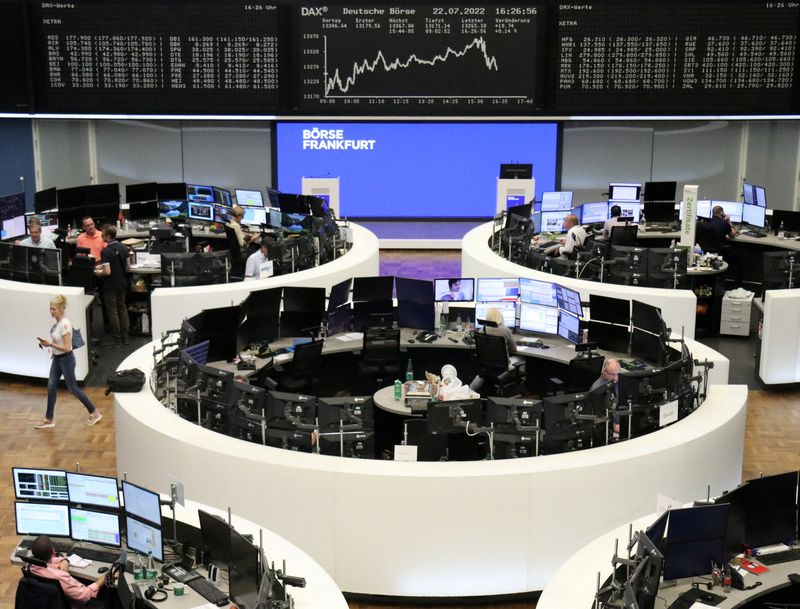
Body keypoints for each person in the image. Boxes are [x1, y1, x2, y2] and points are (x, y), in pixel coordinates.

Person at [35, 295, 102, 428]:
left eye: (54, 309)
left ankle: (95, 413)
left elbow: (67, 348)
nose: (51, 311)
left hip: (66, 360)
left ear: (61, 309)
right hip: (57, 360)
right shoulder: (57, 324)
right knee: (51, 387)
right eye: (50, 309)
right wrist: (50, 346)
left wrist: (51, 345)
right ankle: (49, 419)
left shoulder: (65, 324)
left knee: (73, 388)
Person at [28, 535, 112, 608]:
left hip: (46, 602)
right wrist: (104, 578)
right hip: (75, 603)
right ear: (53, 552)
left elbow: (52, 561)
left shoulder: (30, 566)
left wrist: (64, 560)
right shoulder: (60, 577)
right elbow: (84, 596)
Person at [95, 225, 130, 347]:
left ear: (108, 236)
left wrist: (98, 272)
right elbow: (128, 267)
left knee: (113, 312)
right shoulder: (124, 248)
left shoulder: (105, 251)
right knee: (122, 309)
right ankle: (125, 338)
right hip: (122, 283)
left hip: (110, 286)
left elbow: (107, 271)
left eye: (103, 235)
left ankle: (117, 340)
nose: (101, 236)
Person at [591, 358, 621, 435]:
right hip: (608, 427)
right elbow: (600, 419)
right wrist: (615, 425)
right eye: (613, 374)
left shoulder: (616, 381)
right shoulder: (597, 390)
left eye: (618, 374)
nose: (616, 377)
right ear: (604, 372)